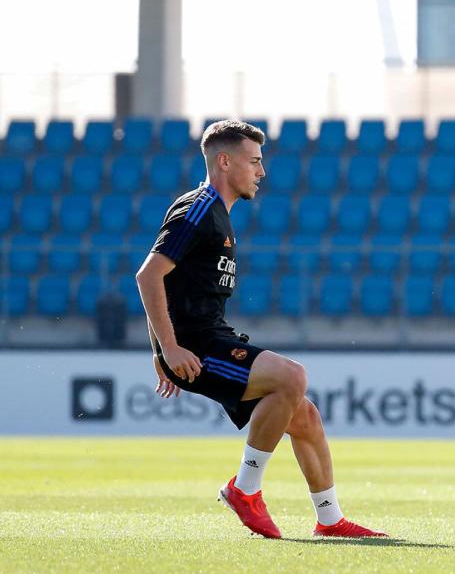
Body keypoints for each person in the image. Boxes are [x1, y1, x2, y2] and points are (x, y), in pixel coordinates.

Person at [135, 119, 386, 539]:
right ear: (224, 161)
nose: (261, 171)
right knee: (292, 377)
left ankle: (330, 520)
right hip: (198, 347)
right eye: (254, 161)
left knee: (304, 415)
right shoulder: (197, 210)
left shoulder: (214, 213)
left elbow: (168, 282)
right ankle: (244, 488)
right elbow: (149, 276)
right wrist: (169, 349)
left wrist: (159, 351)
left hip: (206, 339)